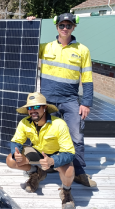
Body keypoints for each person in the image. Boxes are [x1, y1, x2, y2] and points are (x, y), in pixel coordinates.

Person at [27, 13, 96, 187]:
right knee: (44, 135)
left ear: (74, 27)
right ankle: (41, 170)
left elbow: (87, 79)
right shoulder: (46, 47)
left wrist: (86, 103)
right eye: (62, 25)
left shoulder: (83, 50)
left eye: (69, 25)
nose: (65, 29)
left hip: (70, 100)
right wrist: (29, 26)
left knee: (76, 137)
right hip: (48, 101)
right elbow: (26, 46)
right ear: (56, 27)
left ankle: (79, 172)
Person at [6, 92, 76, 209]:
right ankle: (36, 173)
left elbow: (69, 153)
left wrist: (52, 160)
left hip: (56, 156)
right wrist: (16, 153)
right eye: (29, 107)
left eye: (37, 106)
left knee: (69, 170)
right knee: (10, 160)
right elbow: (16, 141)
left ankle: (66, 192)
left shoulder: (59, 124)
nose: (32, 110)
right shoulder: (24, 122)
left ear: (45, 108)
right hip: (37, 152)